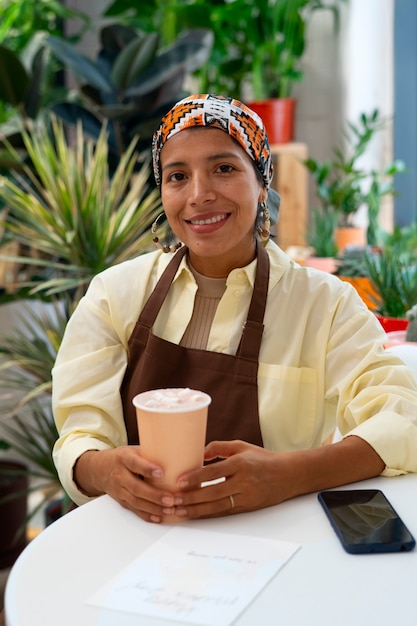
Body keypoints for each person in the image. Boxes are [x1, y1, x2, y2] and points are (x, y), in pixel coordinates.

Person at [52, 94, 417, 524]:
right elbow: (80, 436)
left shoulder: (326, 304)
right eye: (177, 176)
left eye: (223, 168)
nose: (199, 195)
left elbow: (403, 418)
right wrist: (106, 470)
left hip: (282, 544)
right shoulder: (114, 294)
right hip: (142, 541)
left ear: (262, 183)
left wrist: (289, 473)